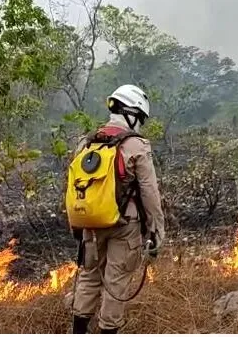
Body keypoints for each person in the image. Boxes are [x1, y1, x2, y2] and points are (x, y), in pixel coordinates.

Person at [69, 84, 165, 333]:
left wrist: (77, 226)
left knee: (89, 277)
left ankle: (78, 330)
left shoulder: (86, 144)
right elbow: (150, 193)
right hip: (125, 226)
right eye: (140, 118)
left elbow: (74, 188)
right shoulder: (137, 146)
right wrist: (156, 231)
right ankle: (108, 330)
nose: (140, 124)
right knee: (116, 281)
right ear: (131, 113)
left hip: (90, 224)